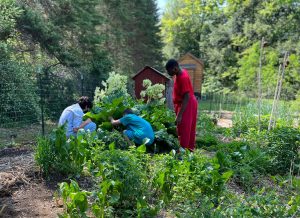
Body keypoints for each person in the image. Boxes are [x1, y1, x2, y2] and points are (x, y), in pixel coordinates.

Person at [165, 59, 198, 151]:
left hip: (187, 103)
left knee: (184, 127)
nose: (168, 73)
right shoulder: (180, 72)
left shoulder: (182, 77)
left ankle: (183, 151)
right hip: (186, 103)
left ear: (175, 69)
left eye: (169, 71)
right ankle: (189, 149)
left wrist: (179, 115)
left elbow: (186, 96)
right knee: (187, 127)